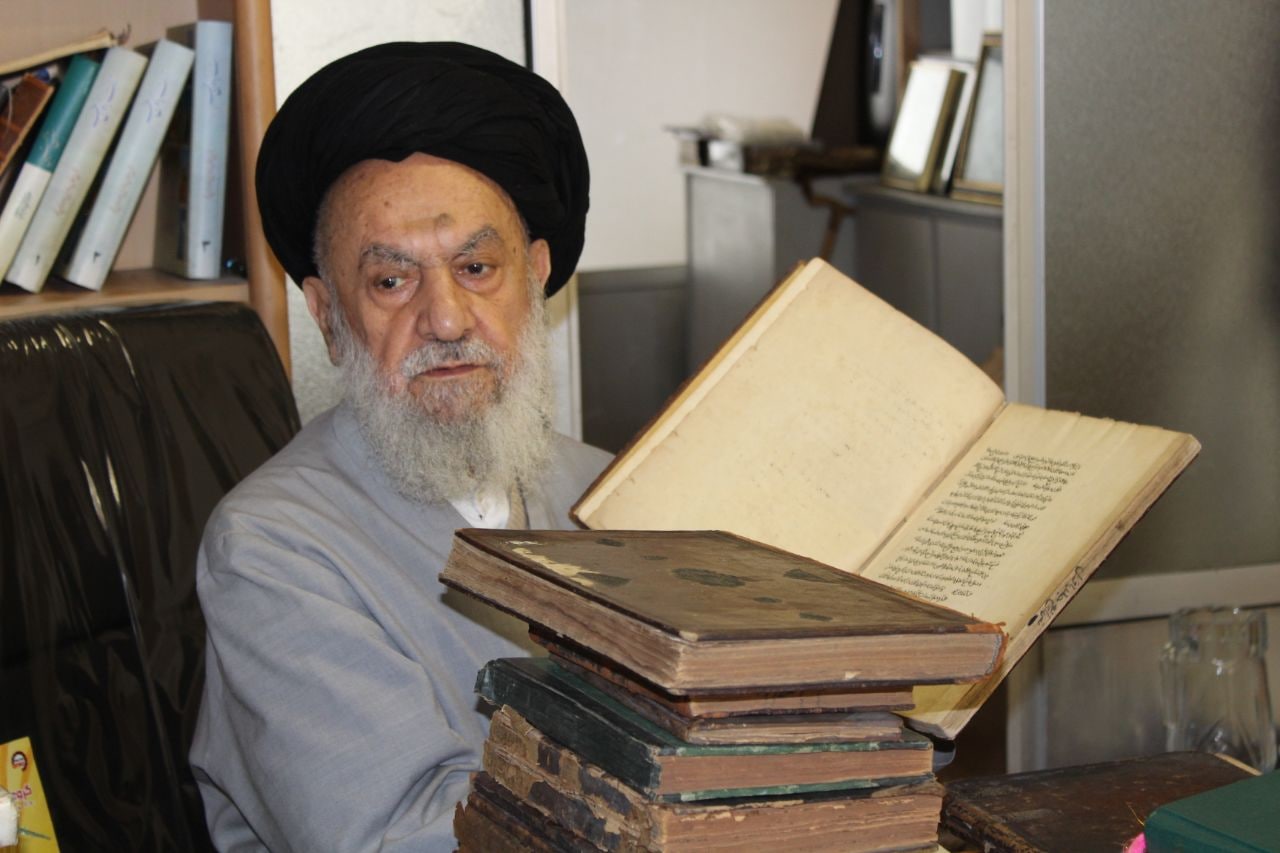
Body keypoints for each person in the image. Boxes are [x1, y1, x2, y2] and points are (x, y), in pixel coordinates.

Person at [189, 42, 611, 852]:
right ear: (328, 318)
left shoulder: (611, 495)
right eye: (391, 280)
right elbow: (403, 836)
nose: (445, 318)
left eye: (476, 267)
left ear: (534, 278)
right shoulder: (271, 548)